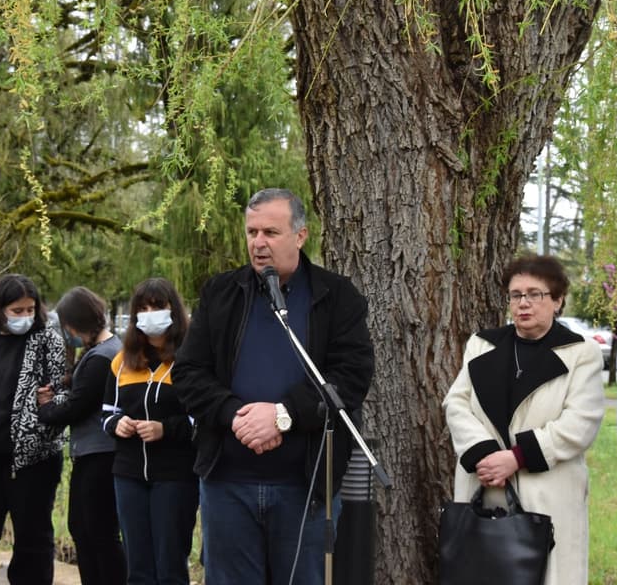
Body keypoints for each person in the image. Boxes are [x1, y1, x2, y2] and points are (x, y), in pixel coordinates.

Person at [173, 188, 374, 585]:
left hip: (305, 487)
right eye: (252, 232)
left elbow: (351, 377)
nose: (258, 243)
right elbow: (189, 373)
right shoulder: (221, 293)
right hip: (227, 483)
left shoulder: (337, 297)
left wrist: (283, 415)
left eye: (270, 232)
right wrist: (235, 416)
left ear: (300, 235)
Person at [443, 255, 606, 585]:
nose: (523, 303)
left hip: (547, 495)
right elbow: (456, 403)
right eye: (516, 295)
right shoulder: (482, 345)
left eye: (535, 294)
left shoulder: (580, 353)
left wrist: (517, 457)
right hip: (485, 485)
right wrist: (486, 455)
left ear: (557, 300)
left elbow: (580, 422)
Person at [0, 274, 67, 585]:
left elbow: (62, 392)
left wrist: (50, 402)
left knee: (33, 544)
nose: (25, 317)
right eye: (17, 311)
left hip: (33, 460)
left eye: (30, 309)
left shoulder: (47, 340)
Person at [101, 278, 198, 585]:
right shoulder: (122, 361)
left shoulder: (191, 359)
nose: (149, 314)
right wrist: (118, 424)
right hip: (128, 474)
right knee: (138, 568)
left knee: (170, 566)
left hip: (175, 475)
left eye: (157, 307)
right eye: (142, 309)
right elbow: (107, 414)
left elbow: (202, 419)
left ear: (173, 310)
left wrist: (165, 429)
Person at [37, 286, 126, 585]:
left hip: (99, 454)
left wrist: (45, 409)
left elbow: (76, 407)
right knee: (85, 528)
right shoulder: (108, 349)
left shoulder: (101, 357)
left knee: (97, 531)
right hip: (95, 452)